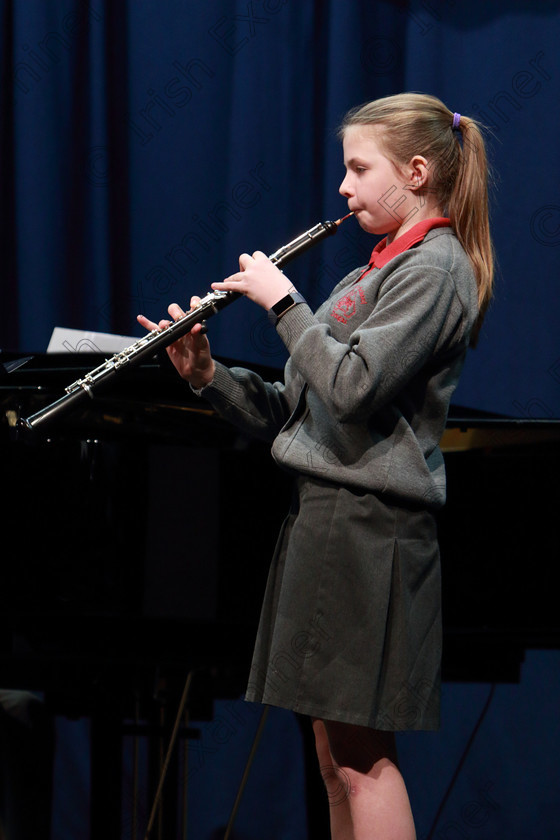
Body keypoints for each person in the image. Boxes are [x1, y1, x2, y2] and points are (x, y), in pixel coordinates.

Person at [138, 93, 493, 839]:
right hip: (327, 520)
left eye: (360, 170)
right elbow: (298, 412)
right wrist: (206, 374)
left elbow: (352, 388)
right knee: (333, 756)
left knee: (364, 760)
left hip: (369, 528)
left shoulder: (434, 268)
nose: (344, 188)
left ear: (418, 172)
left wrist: (283, 302)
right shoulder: (371, 273)